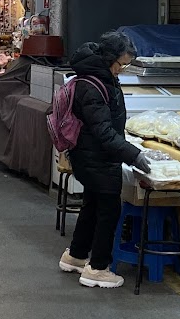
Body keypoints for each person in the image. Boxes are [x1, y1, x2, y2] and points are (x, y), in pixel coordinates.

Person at [60, 31, 152, 290]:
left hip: (90, 157)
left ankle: (76, 256)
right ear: (109, 58)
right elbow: (103, 132)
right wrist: (134, 155)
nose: (122, 69)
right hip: (97, 158)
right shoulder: (93, 85)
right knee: (108, 212)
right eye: (121, 64)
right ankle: (98, 268)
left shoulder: (98, 77)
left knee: (91, 206)